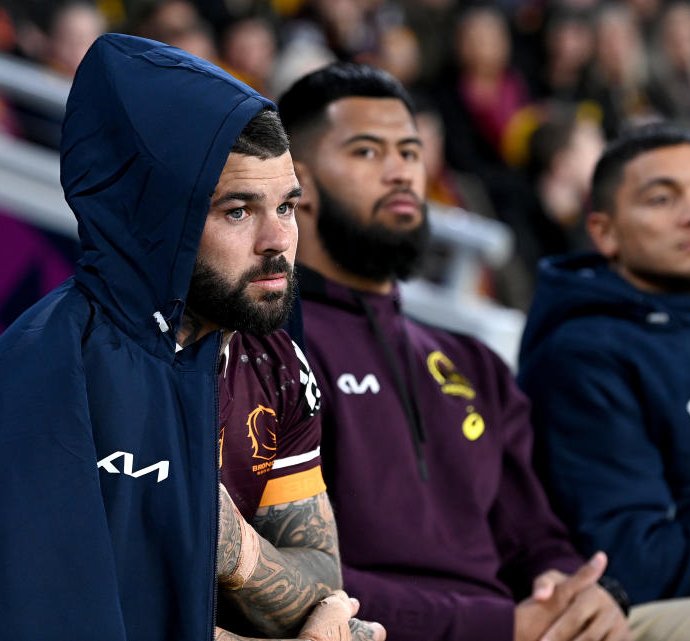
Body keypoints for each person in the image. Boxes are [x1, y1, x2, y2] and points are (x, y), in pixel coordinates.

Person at [0, 34, 374, 641]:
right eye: (238, 211)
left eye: (287, 206)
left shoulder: (269, 358)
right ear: (160, 221)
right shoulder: (47, 381)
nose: (278, 241)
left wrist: (229, 545)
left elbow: (323, 586)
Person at [277, 62, 631, 641]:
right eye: (368, 152)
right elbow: (285, 572)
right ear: (300, 181)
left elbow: (534, 537)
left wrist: (571, 592)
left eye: (412, 153)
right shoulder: (266, 349)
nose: (401, 173)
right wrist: (495, 625)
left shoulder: (474, 363)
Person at [518, 122, 690, 639]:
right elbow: (633, 562)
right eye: (663, 198)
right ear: (604, 232)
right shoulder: (582, 354)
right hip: (638, 609)